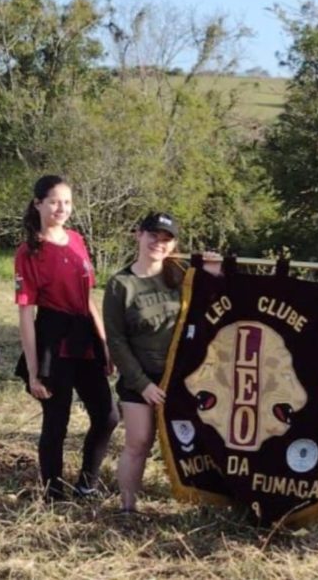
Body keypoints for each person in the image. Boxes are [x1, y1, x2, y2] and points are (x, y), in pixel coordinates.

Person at [14, 175, 119, 502]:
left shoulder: (76, 239)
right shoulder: (29, 251)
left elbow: (88, 298)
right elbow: (25, 316)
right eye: (55, 201)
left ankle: (88, 482)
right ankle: (53, 493)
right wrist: (33, 372)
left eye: (68, 202)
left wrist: (104, 344)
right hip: (52, 339)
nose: (62, 208)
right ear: (38, 204)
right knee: (56, 422)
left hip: (84, 336)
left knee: (107, 415)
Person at [102, 212, 184, 515]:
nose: (158, 244)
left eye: (166, 240)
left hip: (180, 375)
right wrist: (144, 385)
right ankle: (127, 507)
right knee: (139, 442)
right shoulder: (120, 284)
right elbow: (117, 341)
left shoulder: (181, 275)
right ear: (138, 234)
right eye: (153, 236)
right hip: (140, 376)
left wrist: (214, 270)